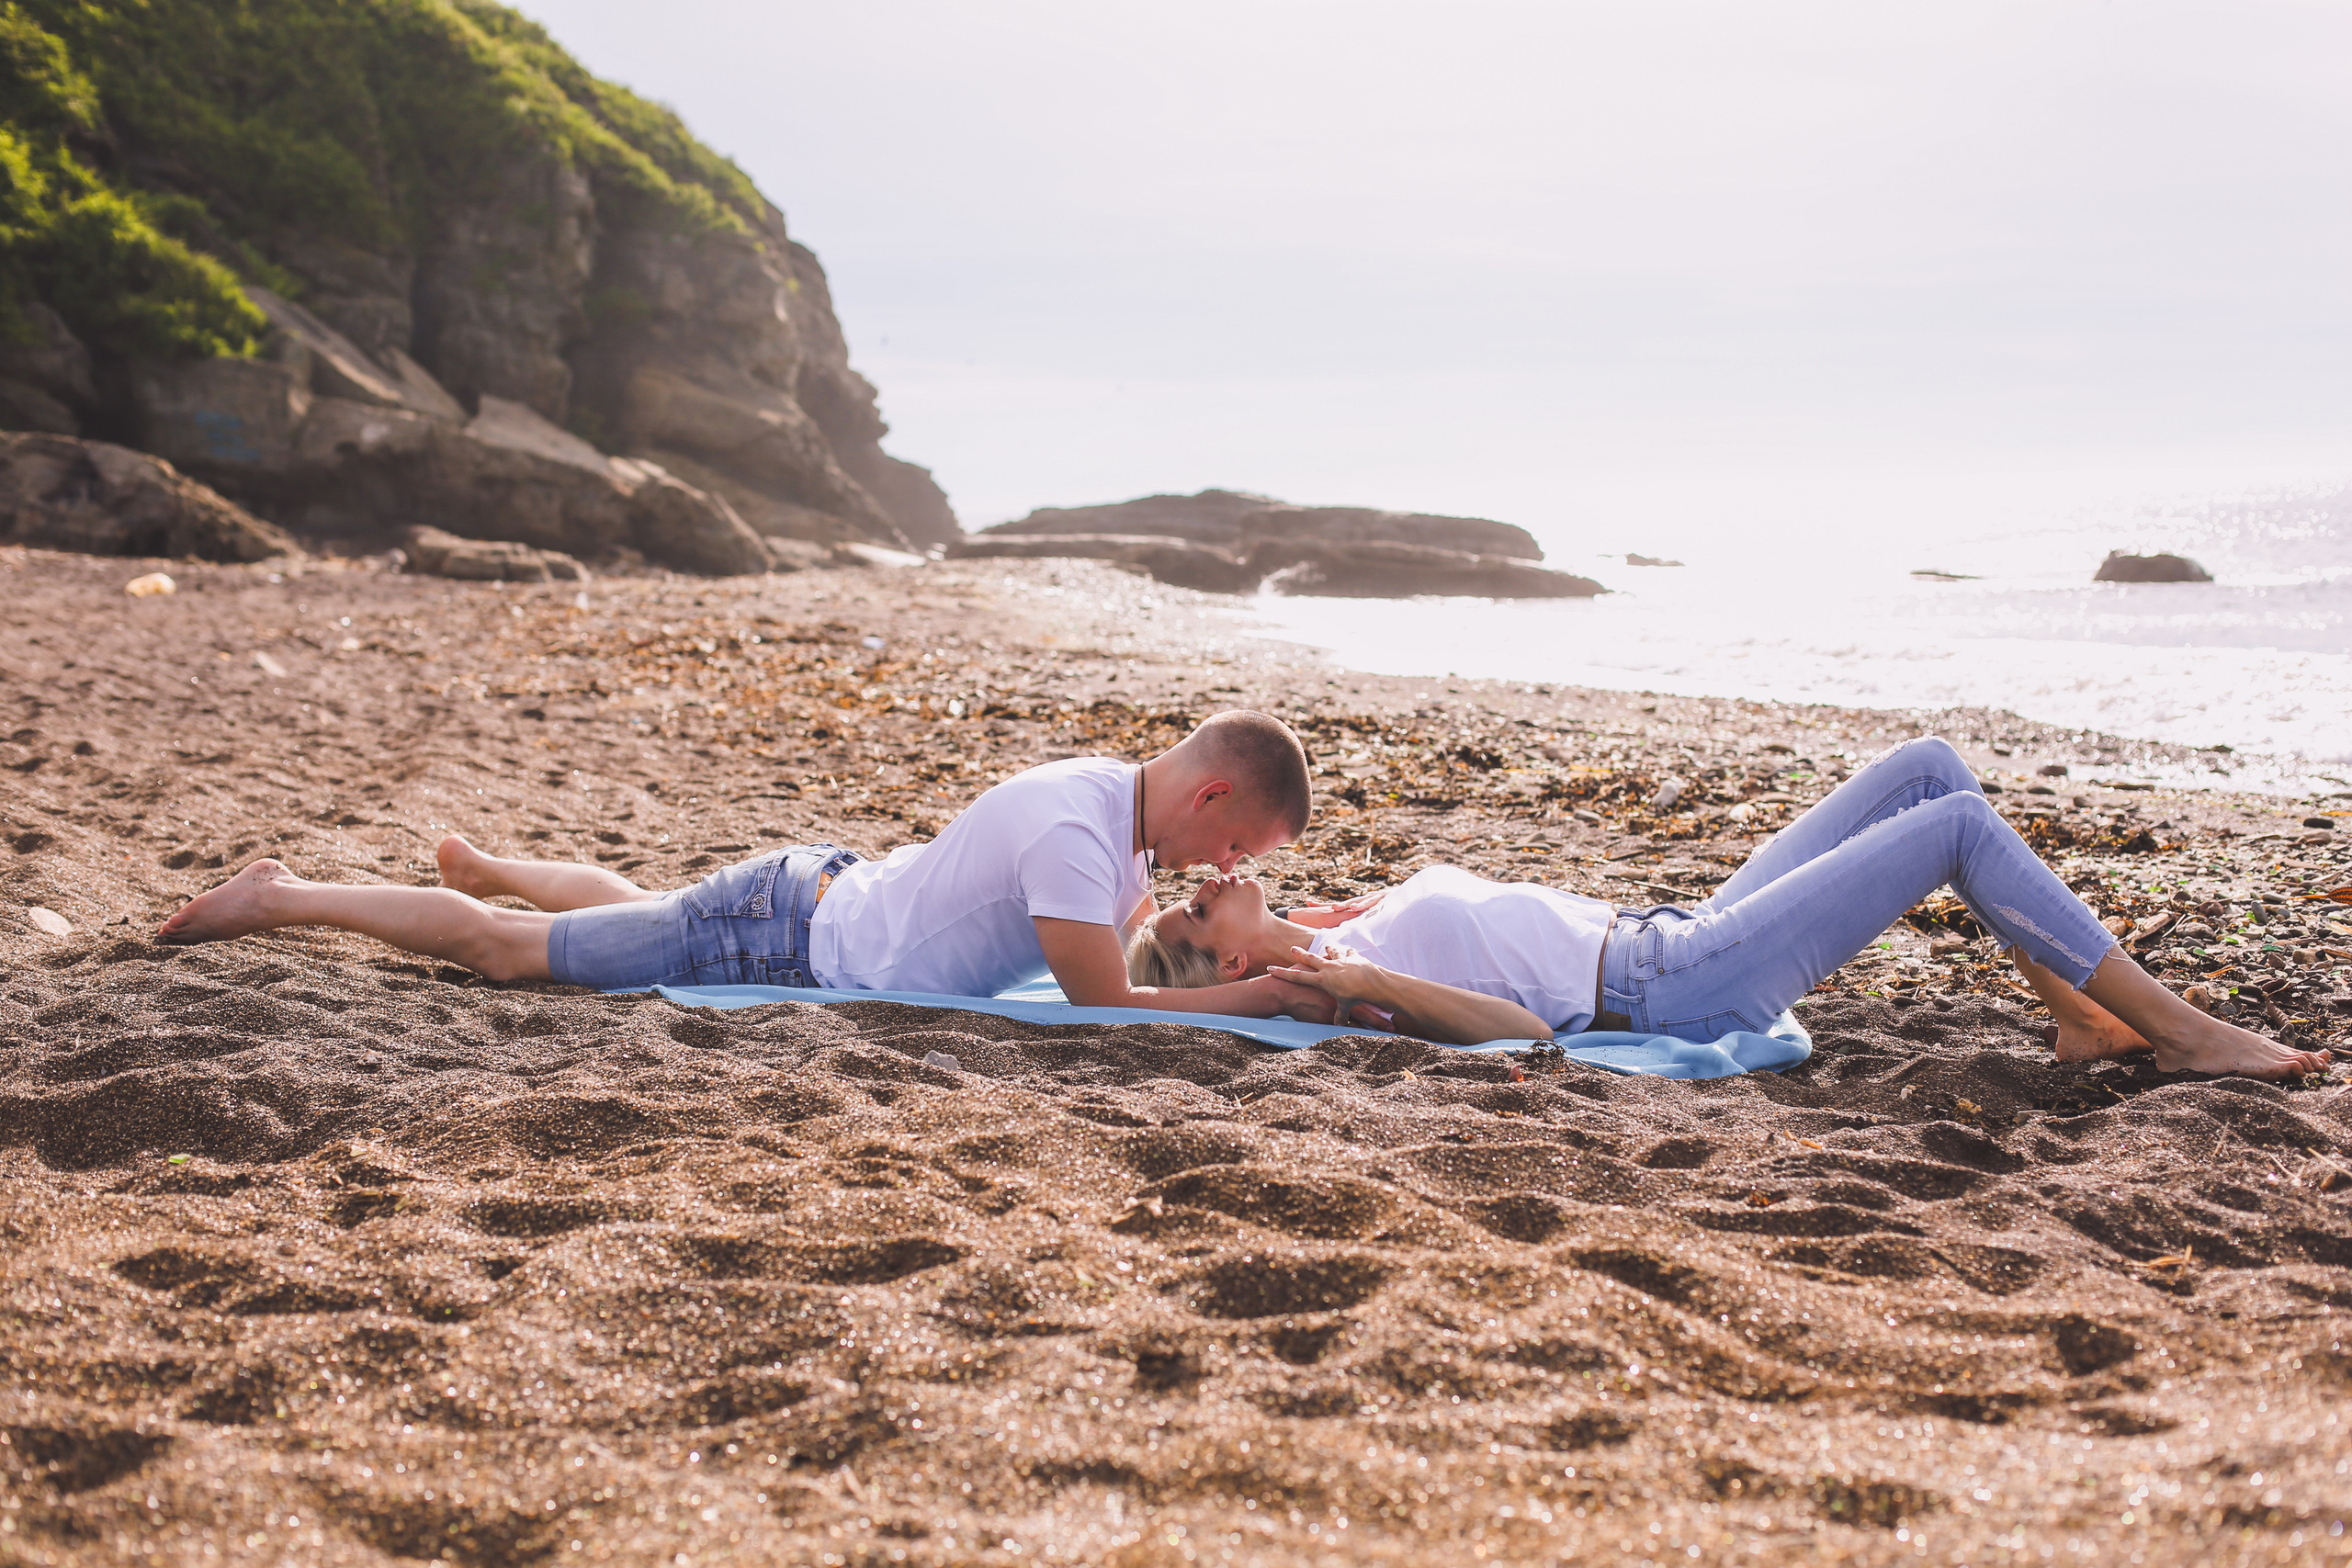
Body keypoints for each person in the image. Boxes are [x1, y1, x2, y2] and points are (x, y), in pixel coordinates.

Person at [1125, 735, 2332, 1080]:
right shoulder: (1336, 980)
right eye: (1191, 919)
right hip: (1675, 983)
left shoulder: (1331, 926)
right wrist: (1356, 978)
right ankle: (2178, 1029)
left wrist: (1277, 909)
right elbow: (1526, 1031)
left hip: (1667, 925)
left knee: (1927, 767)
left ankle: (2080, 1016)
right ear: (1222, 971)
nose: (1199, 888)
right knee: (1956, 831)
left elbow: (1281, 903)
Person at [159, 710, 1320, 1017]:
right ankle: (282, 895)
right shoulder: (1079, 841)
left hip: (805, 897)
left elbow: (1146, 952)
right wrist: (1259, 992)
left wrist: (1251, 922)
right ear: (1211, 793)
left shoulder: (1106, 809)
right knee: (508, 959)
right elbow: (1107, 1004)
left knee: (644, 913)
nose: (1217, 863)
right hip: (780, 936)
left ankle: (492, 860)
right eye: (1232, 843)